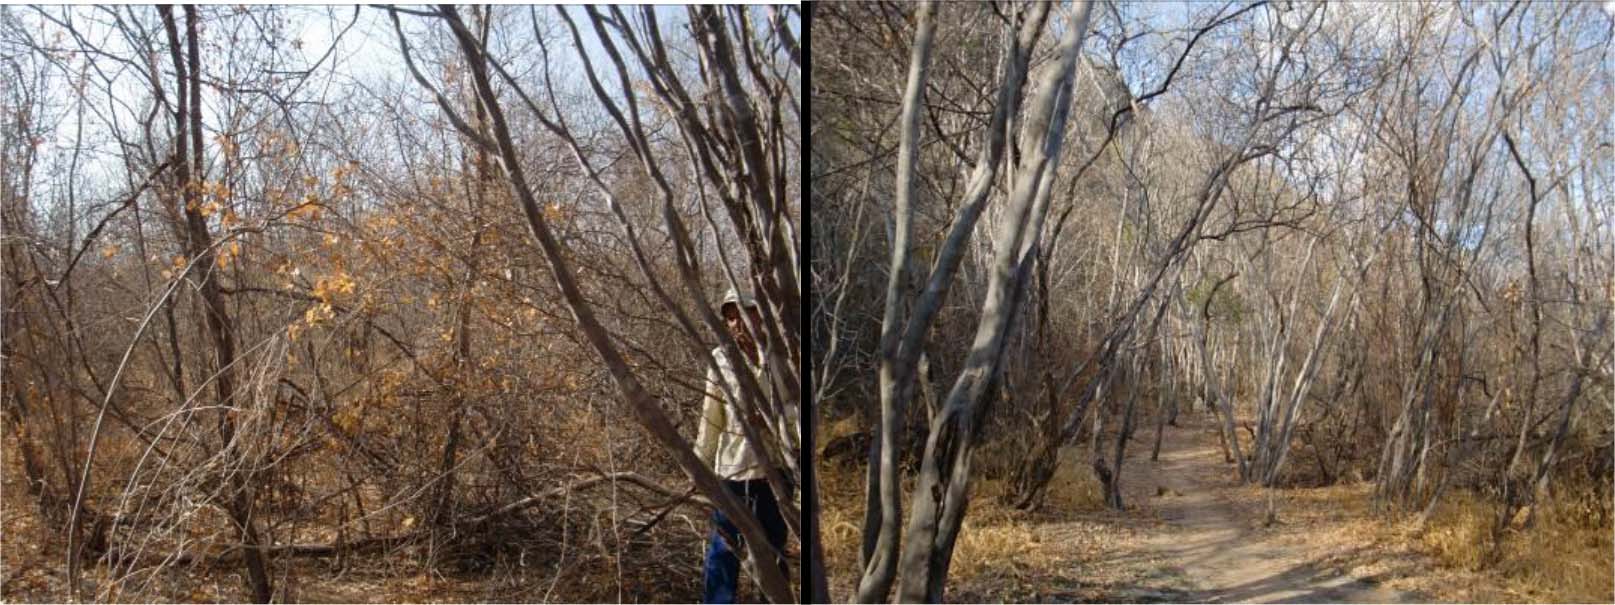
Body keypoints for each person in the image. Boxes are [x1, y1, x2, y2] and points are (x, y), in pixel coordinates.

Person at [695, 288, 795, 604]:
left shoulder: (781, 358)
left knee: (775, 548)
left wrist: (773, 421)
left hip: (775, 471)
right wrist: (700, 464)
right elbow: (711, 416)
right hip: (732, 472)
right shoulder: (721, 359)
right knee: (724, 551)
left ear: (759, 316)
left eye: (745, 313)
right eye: (731, 315)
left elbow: (795, 410)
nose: (738, 322)